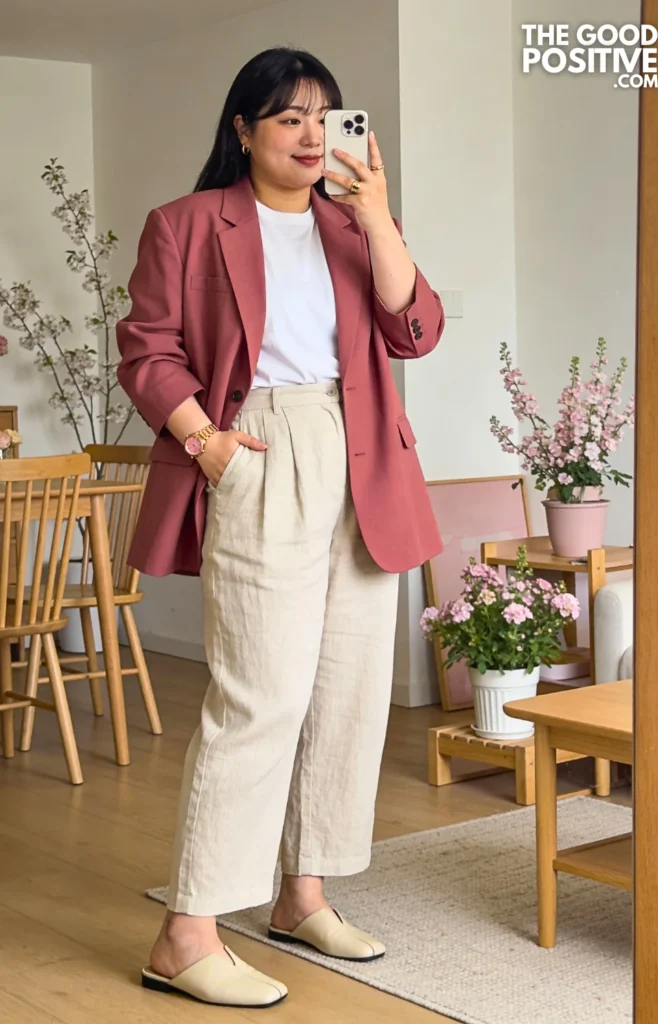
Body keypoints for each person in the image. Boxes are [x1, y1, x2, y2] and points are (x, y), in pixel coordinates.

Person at [116, 45, 445, 1009]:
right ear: (243, 129)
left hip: (365, 454)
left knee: (347, 690)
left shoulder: (353, 227)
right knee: (259, 694)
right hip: (257, 443)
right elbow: (146, 348)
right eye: (289, 116)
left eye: (327, 117)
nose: (311, 135)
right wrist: (204, 440)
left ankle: (302, 893)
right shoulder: (185, 224)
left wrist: (377, 215)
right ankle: (185, 933)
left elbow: (415, 330)